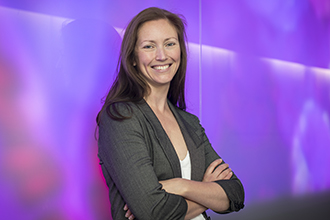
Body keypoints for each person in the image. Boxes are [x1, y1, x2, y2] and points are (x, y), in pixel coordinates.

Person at [97, 7, 244, 220]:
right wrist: (206, 189)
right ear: (133, 58)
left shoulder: (189, 122)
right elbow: (153, 212)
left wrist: (181, 186)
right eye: (149, 46)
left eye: (170, 44)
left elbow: (235, 194)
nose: (161, 55)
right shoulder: (121, 118)